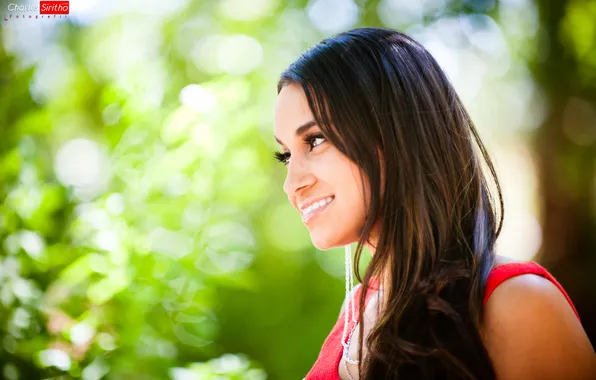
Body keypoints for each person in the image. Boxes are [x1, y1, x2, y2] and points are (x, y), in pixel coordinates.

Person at [272, 28, 596, 380]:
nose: (292, 184)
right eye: (286, 155)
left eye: (315, 140)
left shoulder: (519, 304)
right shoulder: (355, 313)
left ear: (394, 134)